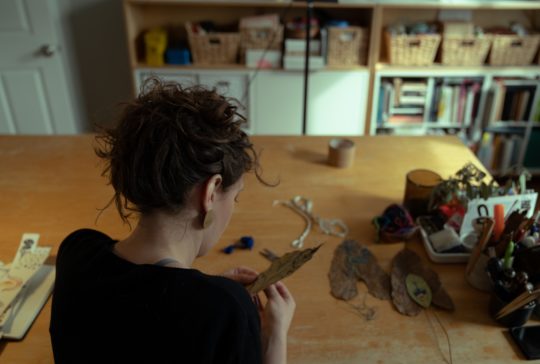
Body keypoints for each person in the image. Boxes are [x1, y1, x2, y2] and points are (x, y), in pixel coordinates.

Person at [49, 79, 296, 363]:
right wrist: (275, 336)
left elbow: (136, 307)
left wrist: (205, 293)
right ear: (211, 192)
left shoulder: (77, 253)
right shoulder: (227, 312)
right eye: (235, 197)